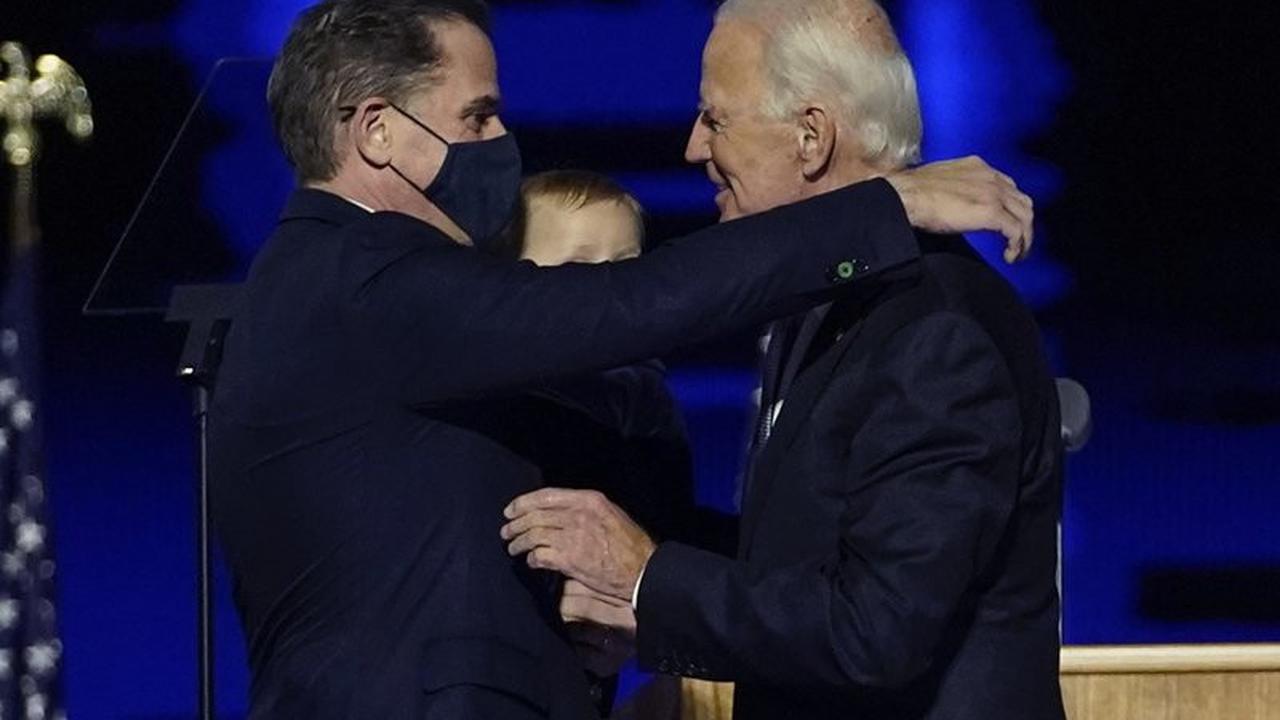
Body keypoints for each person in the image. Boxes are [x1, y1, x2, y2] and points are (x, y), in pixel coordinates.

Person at [209, 0, 1035, 718]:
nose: (505, 142)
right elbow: (625, 307)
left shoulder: (928, 322)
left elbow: (840, 593)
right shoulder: (360, 278)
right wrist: (882, 208)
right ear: (378, 129)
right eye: (479, 116)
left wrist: (641, 589)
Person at [502, 1, 1065, 719]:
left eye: (715, 119)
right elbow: (800, 561)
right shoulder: (837, 301)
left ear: (811, 137)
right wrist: (634, 581)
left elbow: (875, 631)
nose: (692, 148)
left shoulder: (935, 329)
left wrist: (648, 577)